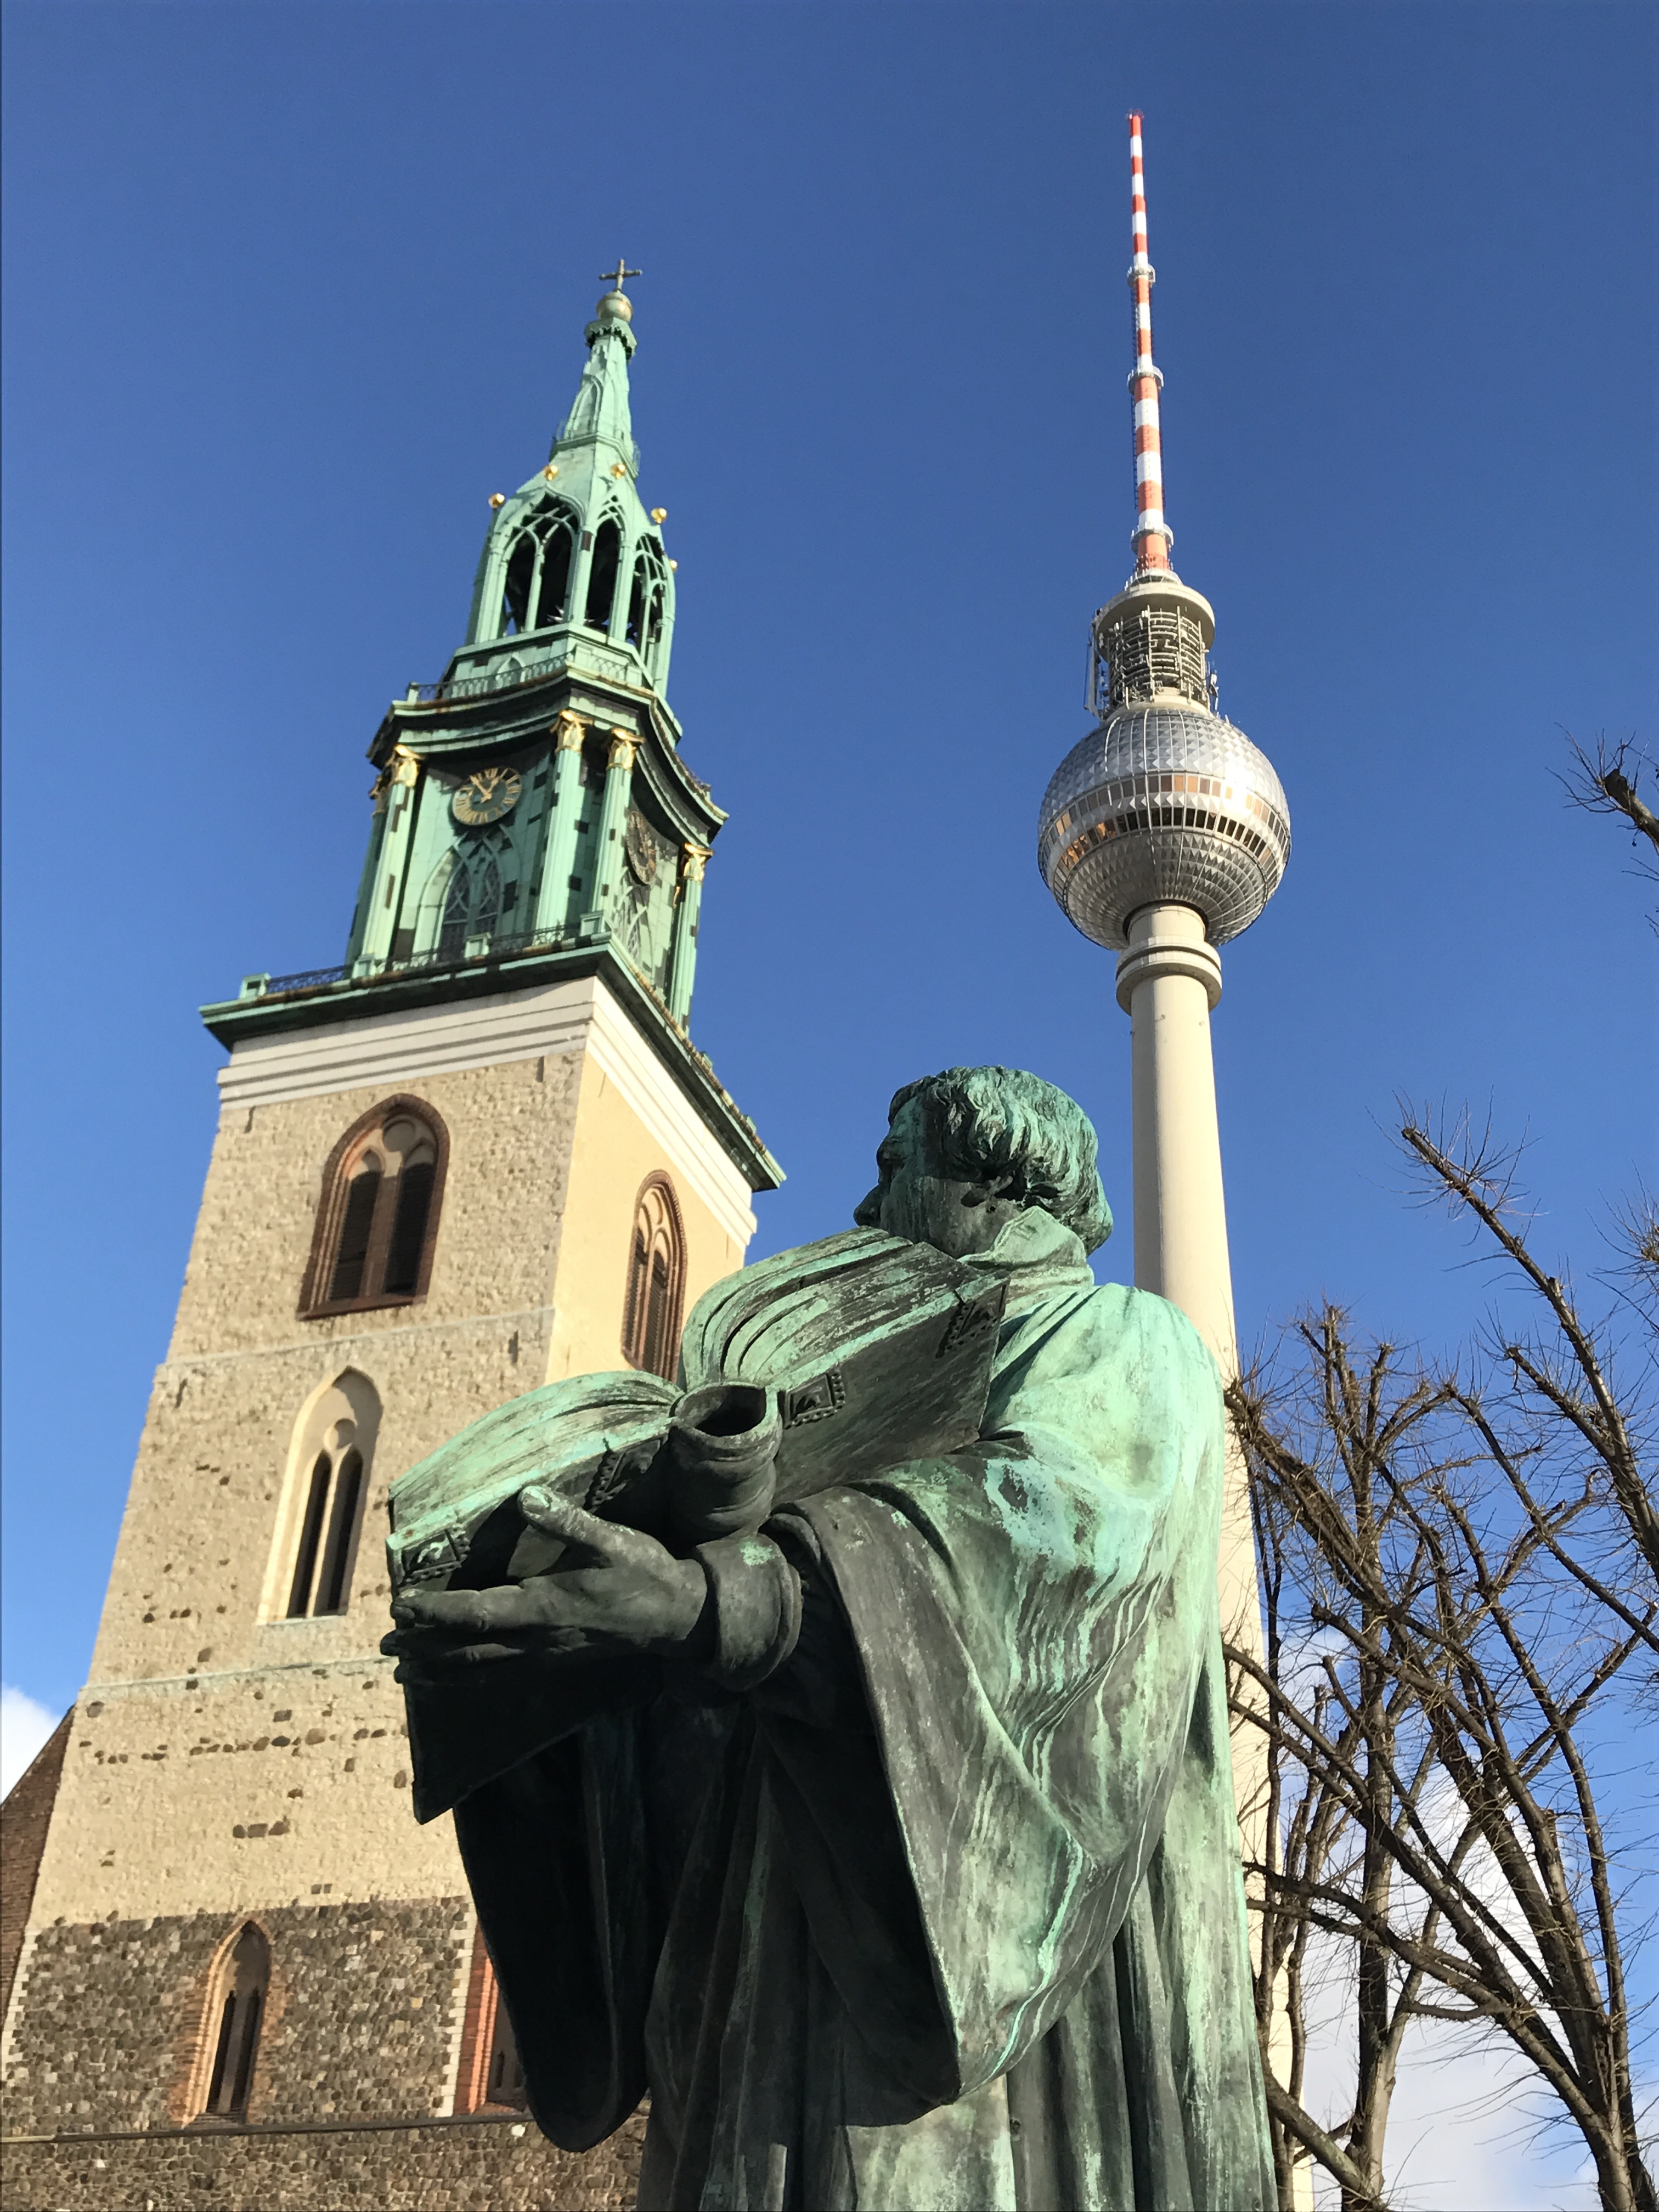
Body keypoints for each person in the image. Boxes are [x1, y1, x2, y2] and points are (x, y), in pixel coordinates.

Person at [386, 1066, 1273, 2211]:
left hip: (961, 1969)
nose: (865, 1207)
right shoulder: (888, 1367)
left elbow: (1051, 1535)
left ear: (990, 1185)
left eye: (894, 1168)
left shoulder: (1121, 1336)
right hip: (766, 1942)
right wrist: (558, 1678)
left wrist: (722, 1602)